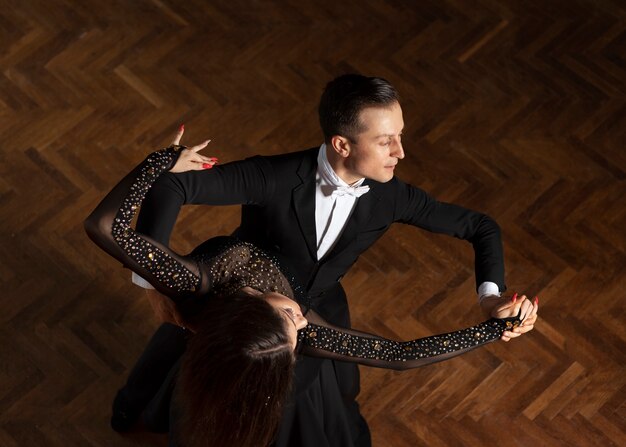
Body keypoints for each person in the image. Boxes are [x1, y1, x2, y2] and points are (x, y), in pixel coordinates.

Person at [124, 74, 538, 446]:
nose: (401, 152)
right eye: (385, 141)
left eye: (399, 136)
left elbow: (481, 227)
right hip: (241, 304)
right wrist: (151, 285)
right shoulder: (274, 176)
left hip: (317, 310)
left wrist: (490, 298)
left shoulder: (392, 195)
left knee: (303, 402)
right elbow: (170, 189)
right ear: (342, 144)